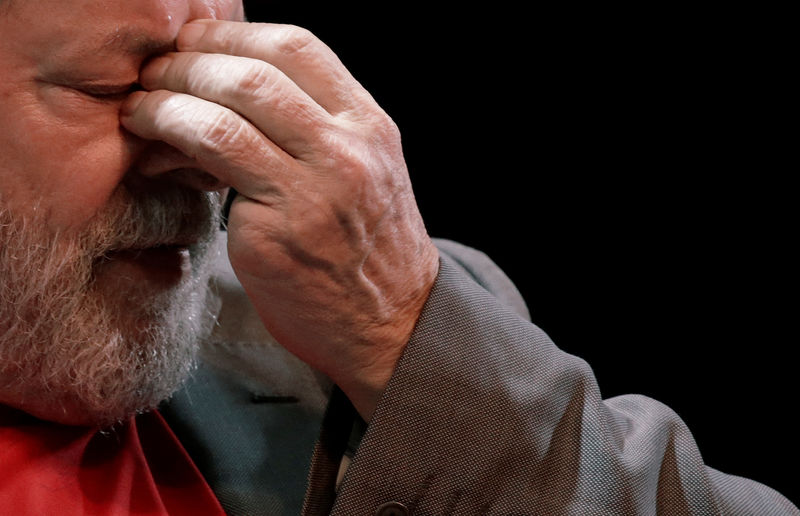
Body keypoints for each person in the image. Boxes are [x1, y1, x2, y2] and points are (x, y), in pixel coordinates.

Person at [0, 0, 796, 514]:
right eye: (112, 91)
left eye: (221, 88)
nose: (207, 156)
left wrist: (399, 333)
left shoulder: (359, 356)